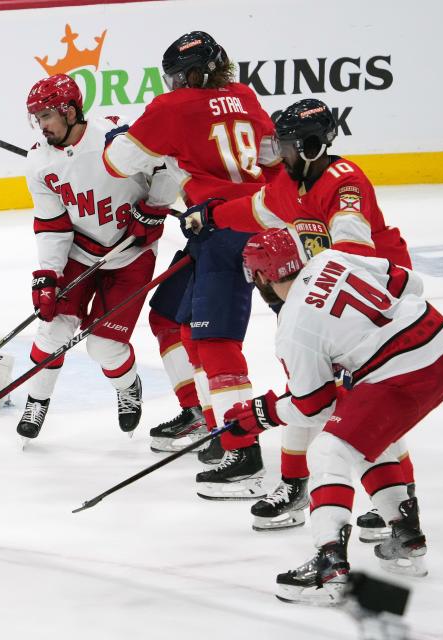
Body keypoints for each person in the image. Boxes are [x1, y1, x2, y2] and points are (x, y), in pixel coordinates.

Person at [193, 99, 415, 533]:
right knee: (305, 386)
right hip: (319, 299)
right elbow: (256, 209)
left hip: (373, 302)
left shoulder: (344, 182)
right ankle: (295, 485)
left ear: (312, 146)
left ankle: (397, 499)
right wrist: (211, 216)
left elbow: (352, 253)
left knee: (364, 399)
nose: (279, 155)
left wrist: (310, 301)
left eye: (288, 146)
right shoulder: (291, 183)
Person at [226, 227, 443, 605]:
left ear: (262, 276)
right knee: (359, 435)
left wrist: (258, 415)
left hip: (400, 375)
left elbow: (311, 405)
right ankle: (406, 537)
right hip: (440, 352)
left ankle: (329, 564)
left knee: (327, 452)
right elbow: (409, 283)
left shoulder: (293, 327)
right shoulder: (330, 259)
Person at [103, 31, 281, 497]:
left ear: (194, 73)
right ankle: (202, 414)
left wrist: (121, 135)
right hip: (235, 225)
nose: (175, 83)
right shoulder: (244, 95)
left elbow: (119, 163)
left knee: (214, 340)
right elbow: (269, 157)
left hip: (226, 236)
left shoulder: (172, 108)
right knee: (168, 316)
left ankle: (243, 453)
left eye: (179, 76)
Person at [18, 73, 179, 444]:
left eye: (46, 116)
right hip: (79, 251)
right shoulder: (39, 162)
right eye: (37, 118)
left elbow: (167, 166)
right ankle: (36, 401)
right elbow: (53, 225)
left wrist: (155, 207)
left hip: (131, 255)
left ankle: (128, 387)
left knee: (103, 346)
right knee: (52, 331)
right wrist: (47, 276)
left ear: (70, 110)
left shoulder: (115, 138)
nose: (41, 126)